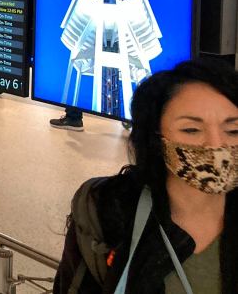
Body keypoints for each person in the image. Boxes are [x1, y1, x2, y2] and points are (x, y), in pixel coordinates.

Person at [53, 58, 238, 293]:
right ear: (156, 138)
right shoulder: (107, 211)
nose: (216, 144)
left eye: (233, 130)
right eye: (191, 130)